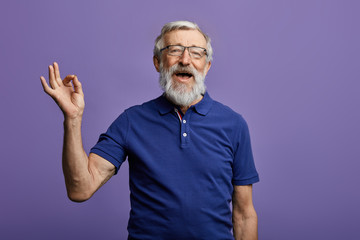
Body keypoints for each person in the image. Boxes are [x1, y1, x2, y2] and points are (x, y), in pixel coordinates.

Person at [40, 20, 259, 240]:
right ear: (157, 62)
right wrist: (73, 118)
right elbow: (80, 189)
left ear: (207, 65)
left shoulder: (234, 125)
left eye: (196, 53)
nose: (185, 60)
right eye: (174, 50)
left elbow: (244, 215)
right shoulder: (131, 121)